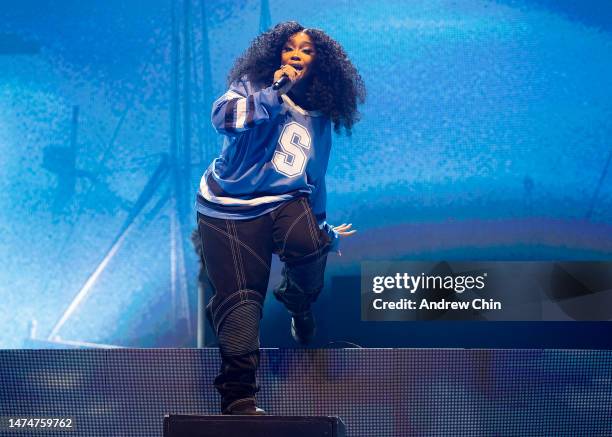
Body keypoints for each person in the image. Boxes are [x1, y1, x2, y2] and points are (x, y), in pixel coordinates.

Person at [195, 21, 365, 415]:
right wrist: (274, 93)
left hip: (284, 199)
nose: (295, 55)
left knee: (309, 243)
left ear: (319, 64)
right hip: (226, 208)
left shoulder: (320, 117)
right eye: (289, 48)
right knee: (240, 304)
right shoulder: (252, 86)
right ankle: (239, 398)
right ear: (277, 54)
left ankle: (298, 303)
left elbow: (315, 178)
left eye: (305, 51)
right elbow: (222, 119)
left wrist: (323, 230)